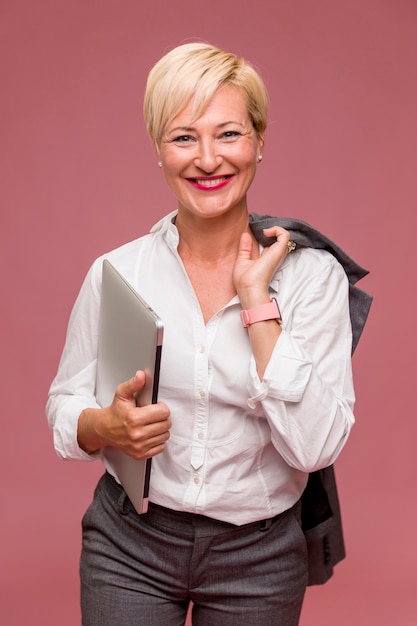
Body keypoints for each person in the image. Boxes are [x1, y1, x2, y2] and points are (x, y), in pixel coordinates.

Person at [47, 42, 358, 626]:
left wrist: (257, 302)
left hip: (259, 555)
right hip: (129, 544)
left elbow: (316, 449)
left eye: (229, 134)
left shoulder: (313, 280)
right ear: (158, 151)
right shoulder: (118, 271)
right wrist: (103, 427)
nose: (208, 159)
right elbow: (64, 405)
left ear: (261, 141)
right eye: (184, 137)